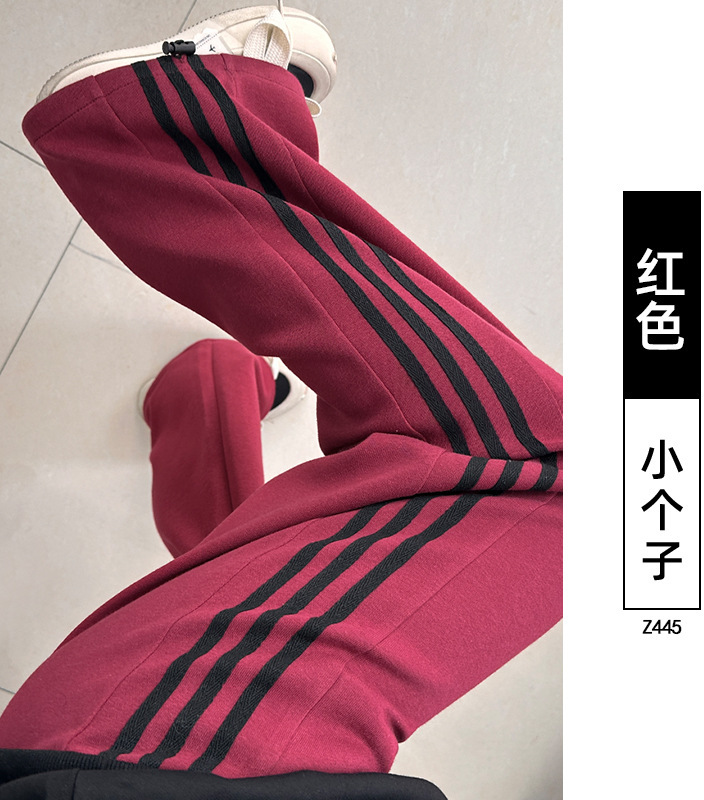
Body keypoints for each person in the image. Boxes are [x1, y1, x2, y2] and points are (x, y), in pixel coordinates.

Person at [0, 5, 562, 798]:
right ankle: (206, 399)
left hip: (150, 762)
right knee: (287, 559)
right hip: (146, 760)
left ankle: (160, 139)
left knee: (526, 464)